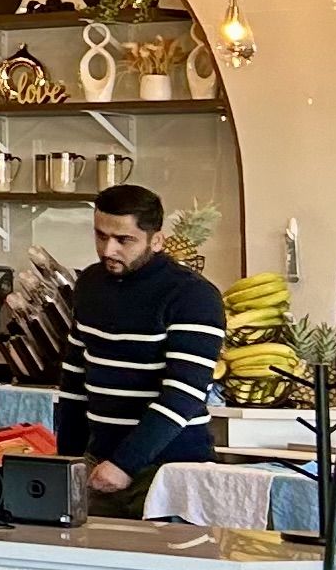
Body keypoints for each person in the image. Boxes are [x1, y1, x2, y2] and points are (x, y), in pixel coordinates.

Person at [72, 182, 226, 507]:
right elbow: (73, 379)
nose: (108, 250)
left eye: (123, 240)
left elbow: (183, 395)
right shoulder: (89, 284)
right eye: (101, 235)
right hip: (97, 460)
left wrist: (125, 463)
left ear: (157, 240)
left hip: (170, 466)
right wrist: (66, 460)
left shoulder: (192, 295)